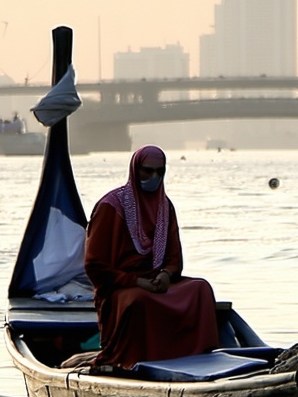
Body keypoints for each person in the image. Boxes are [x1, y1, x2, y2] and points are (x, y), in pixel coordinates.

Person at [84, 146, 219, 371]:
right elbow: (94, 266)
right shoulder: (110, 207)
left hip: (157, 281)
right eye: (148, 171)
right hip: (121, 287)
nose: (153, 177)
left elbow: (174, 258)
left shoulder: (165, 207)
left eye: (159, 172)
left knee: (201, 289)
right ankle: (135, 360)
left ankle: (195, 357)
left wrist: (166, 274)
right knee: (139, 300)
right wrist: (136, 282)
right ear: (136, 170)